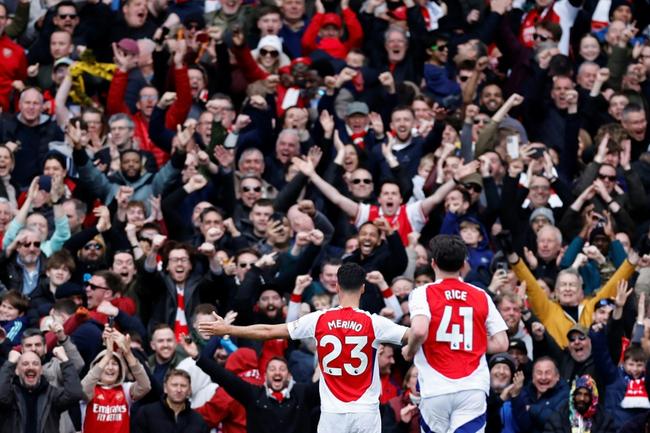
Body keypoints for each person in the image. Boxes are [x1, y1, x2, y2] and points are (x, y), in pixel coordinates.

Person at [198, 263, 409, 433]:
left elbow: (268, 331)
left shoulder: (319, 319)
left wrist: (229, 329)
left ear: (337, 286)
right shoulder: (375, 323)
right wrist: (411, 347)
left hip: (332, 414)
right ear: (363, 287)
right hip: (365, 412)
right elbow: (414, 334)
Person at [403, 234, 509, 433]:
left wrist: (409, 350)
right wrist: (469, 339)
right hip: (472, 386)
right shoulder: (480, 295)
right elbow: (502, 343)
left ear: (433, 263)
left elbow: (418, 330)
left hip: (435, 386)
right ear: (463, 264)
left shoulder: (422, 293)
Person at [0, 347, 84, 433]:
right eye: (25, 364)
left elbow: (75, 394)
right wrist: (9, 364)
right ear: (17, 371)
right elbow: (1, 396)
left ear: (41, 370)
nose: (30, 367)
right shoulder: (10, 394)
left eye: (35, 364)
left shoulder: (51, 394)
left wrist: (65, 360)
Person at [133, 368, 209, 433]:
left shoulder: (198, 420)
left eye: (183, 386)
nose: (179, 390)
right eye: (174, 385)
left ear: (189, 390)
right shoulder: (146, 413)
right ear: (165, 388)